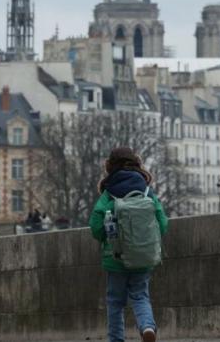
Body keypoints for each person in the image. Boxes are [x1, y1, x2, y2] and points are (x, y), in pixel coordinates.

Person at [89, 147, 169, 342]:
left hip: (115, 258)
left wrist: (106, 238)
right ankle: (148, 327)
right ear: (136, 164)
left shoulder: (108, 194)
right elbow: (163, 224)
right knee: (140, 296)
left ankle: (116, 339)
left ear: (110, 167)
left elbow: (96, 227)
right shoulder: (147, 192)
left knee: (115, 302)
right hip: (143, 257)